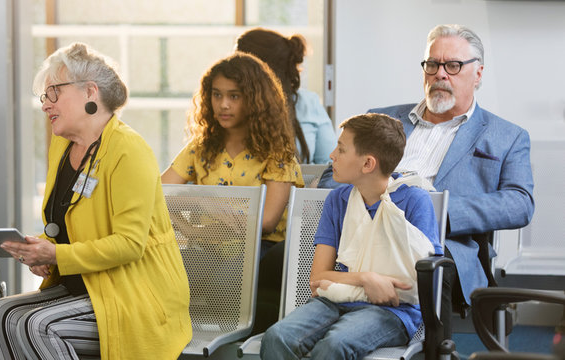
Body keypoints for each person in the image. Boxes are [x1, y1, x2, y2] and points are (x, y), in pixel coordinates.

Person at [319, 24, 535, 335]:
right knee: (281, 258)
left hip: (440, 242)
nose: (440, 74)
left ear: (478, 74)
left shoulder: (506, 136)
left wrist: (437, 212)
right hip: (360, 230)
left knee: (432, 264)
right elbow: (330, 178)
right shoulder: (381, 118)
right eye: (432, 64)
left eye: (453, 65)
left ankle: (430, 350)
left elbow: (520, 204)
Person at [0, 43, 191, 360]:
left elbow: (129, 244)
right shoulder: (62, 146)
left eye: (53, 93)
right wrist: (40, 250)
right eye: (43, 96)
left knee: (35, 326)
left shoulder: (128, 150)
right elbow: (67, 226)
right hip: (82, 287)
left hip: (131, 295)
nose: (44, 105)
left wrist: (58, 254)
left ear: (90, 92)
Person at [261, 113, 442, 359]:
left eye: (341, 149)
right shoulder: (338, 200)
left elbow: (417, 283)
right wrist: (367, 279)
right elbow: (318, 277)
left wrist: (358, 282)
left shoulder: (413, 200)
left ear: (368, 164)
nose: (332, 155)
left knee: (335, 344)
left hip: (392, 311)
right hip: (334, 300)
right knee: (277, 337)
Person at [161, 52, 304, 333]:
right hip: (207, 247)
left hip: (260, 251)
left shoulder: (277, 153)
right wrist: (191, 225)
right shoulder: (200, 147)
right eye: (216, 95)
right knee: (160, 271)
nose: (223, 105)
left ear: (255, 100)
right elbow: (158, 194)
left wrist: (200, 215)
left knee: (221, 283)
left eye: (234, 96)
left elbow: (264, 223)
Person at [236, 27, 336, 165]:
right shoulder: (230, 106)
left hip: (305, 185)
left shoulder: (308, 102)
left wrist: (313, 184)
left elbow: (331, 166)